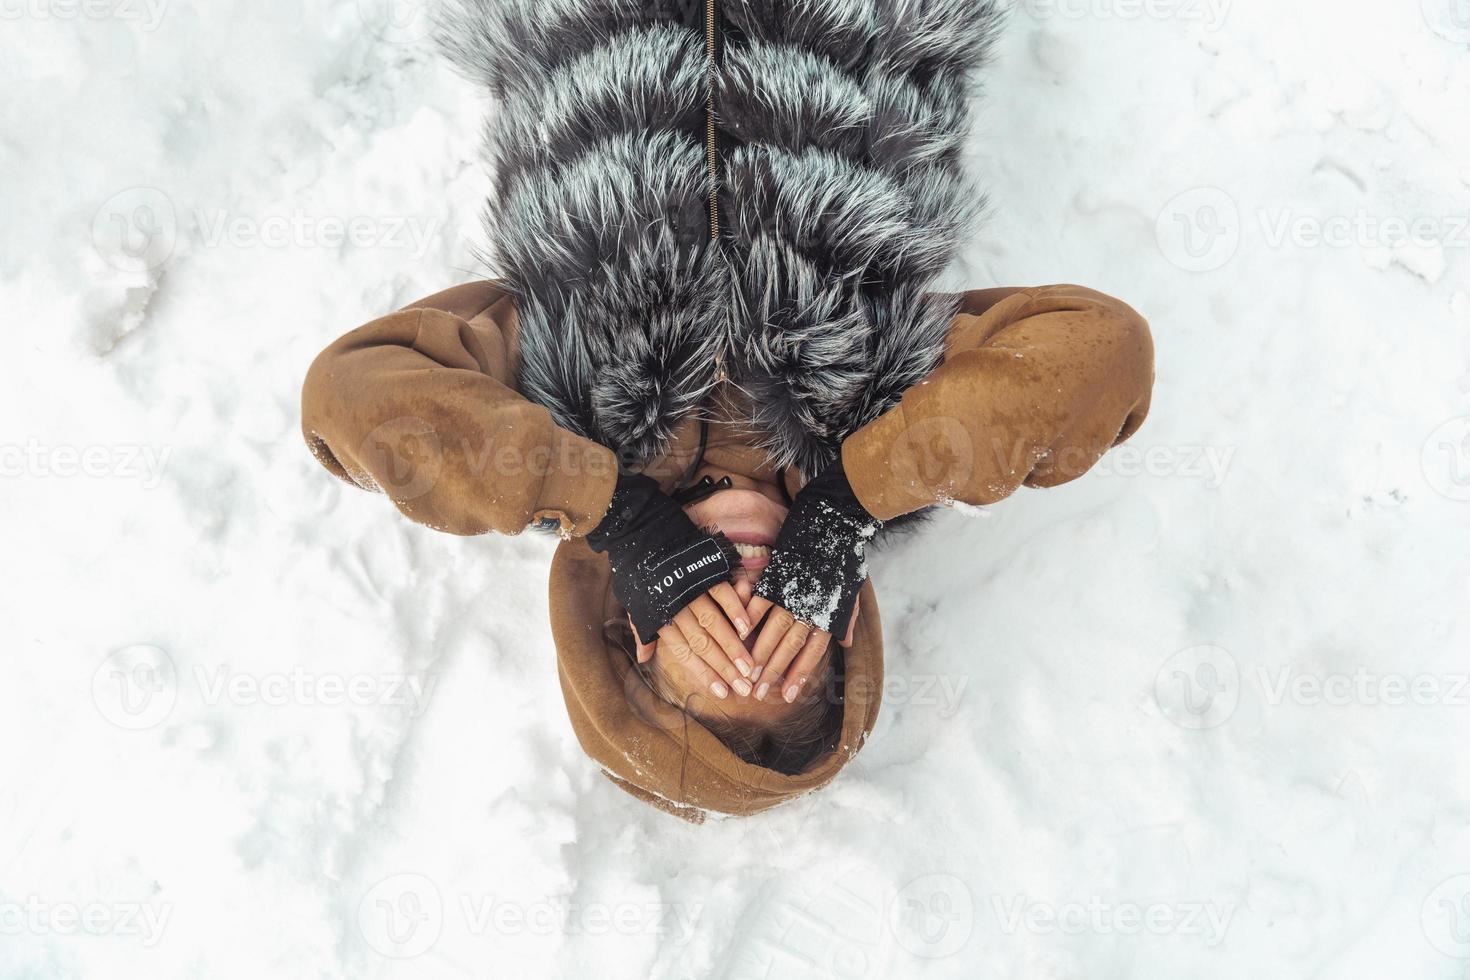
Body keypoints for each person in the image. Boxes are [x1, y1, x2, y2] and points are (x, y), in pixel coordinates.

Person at [300, 1, 1155, 820]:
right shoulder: (897, 420)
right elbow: (1102, 350)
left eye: (714, 636)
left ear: (640, 628)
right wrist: (851, 500)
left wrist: (617, 513)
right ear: (842, 614)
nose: (748, 596)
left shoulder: (552, 420)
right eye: (780, 634)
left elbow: (350, 390)